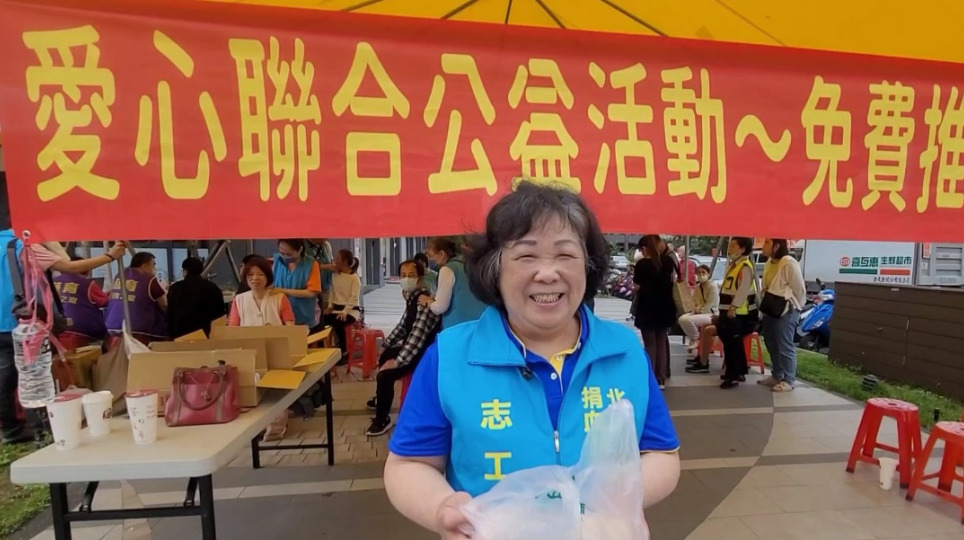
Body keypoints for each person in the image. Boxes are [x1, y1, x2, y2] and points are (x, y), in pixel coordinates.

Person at [384, 182, 680, 539]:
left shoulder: (625, 351)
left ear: (587, 266)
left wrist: (620, 499)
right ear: (495, 268)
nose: (548, 273)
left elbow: (662, 455)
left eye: (565, 255)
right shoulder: (449, 357)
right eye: (527, 256)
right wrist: (442, 507)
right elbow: (409, 464)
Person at [365, 259, 441, 436]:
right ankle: (382, 397)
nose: (406, 279)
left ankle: (382, 419)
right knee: (386, 355)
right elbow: (402, 326)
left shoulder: (423, 301)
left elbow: (417, 337)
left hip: (423, 354)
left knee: (385, 375)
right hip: (413, 349)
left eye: (411, 275)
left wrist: (397, 362)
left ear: (420, 279)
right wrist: (385, 345)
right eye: (403, 275)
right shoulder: (412, 297)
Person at [758, 238, 806, 392]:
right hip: (770, 308)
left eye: (767, 242)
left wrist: (795, 307)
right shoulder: (769, 263)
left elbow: (800, 289)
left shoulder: (788, 262)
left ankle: (788, 380)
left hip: (787, 310)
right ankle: (777, 375)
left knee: (784, 344)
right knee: (771, 341)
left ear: (776, 246)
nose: (763, 245)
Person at [633, 235, 677, 389]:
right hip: (665, 307)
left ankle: (650, 377)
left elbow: (636, 286)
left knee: (650, 344)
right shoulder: (668, 262)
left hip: (647, 308)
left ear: (645, 248)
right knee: (661, 343)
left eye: (641, 249)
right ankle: (661, 379)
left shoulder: (642, 265)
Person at [717, 237, 760, 389]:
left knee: (733, 344)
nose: (730, 248)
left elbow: (742, 290)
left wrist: (733, 307)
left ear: (742, 249)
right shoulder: (735, 265)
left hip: (739, 314)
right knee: (731, 343)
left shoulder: (745, 267)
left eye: (733, 246)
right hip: (729, 311)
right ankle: (737, 372)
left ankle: (733, 375)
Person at [419, 237, 487, 329]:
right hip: (482, 324)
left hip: (459, 327)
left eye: (431, 256)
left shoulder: (448, 269)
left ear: (441, 254)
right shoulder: (472, 265)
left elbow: (440, 307)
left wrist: (429, 302)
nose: (430, 259)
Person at [104, 252, 168, 346]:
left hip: (111, 327)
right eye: (153, 265)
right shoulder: (149, 279)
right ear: (144, 266)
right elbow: (163, 305)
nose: (154, 268)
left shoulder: (120, 275)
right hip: (136, 329)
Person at [54, 258, 109, 350]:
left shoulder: (53, 281)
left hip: (56, 328)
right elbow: (105, 302)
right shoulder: (87, 283)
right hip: (81, 329)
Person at [166, 257, 226, 338]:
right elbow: (220, 314)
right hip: (205, 334)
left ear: (185, 271)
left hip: (180, 335)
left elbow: (170, 313)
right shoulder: (212, 287)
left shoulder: (175, 288)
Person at [228, 257, 295, 326]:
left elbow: (290, 325)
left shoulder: (280, 298)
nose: (255, 278)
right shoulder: (238, 300)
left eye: (260, 274)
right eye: (250, 275)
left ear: (267, 277)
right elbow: (233, 326)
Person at [272, 239, 322, 327]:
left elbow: (311, 292)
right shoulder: (277, 261)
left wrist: (284, 291)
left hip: (303, 315)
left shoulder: (311, 265)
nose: (284, 257)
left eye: (289, 254)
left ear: (300, 250)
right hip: (280, 316)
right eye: (282, 253)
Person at [322, 250, 361, 357]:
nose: (334, 260)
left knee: (339, 322)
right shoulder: (335, 275)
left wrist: (345, 311)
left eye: (337, 258)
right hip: (336, 309)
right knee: (320, 322)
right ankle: (322, 349)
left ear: (344, 262)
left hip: (351, 311)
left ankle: (344, 351)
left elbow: (354, 297)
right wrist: (330, 306)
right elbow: (332, 291)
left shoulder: (354, 278)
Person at [682, 265, 720, 374]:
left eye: (703, 272)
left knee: (687, 321)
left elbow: (710, 304)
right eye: (699, 272)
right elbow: (694, 301)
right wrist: (695, 310)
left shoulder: (712, 286)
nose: (701, 274)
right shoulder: (698, 286)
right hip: (699, 311)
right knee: (682, 319)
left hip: (711, 314)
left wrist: (700, 311)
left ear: (709, 274)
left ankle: (696, 340)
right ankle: (697, 344)